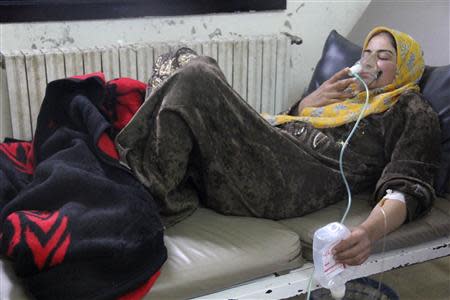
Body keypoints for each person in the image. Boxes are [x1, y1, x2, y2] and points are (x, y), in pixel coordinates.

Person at [115, 26, 441, 266]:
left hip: (292, 182)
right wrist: (307, 105)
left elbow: (407, 188)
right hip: (273, 152)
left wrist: (367, 233)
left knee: (198, 75)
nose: (370, 62)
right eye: (366, 53)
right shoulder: (346, 98)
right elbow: (287, 126)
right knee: (176, 58)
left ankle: (149, 193)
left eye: (383, 57)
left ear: (405, 67)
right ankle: (166, 179)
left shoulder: (410, 107)